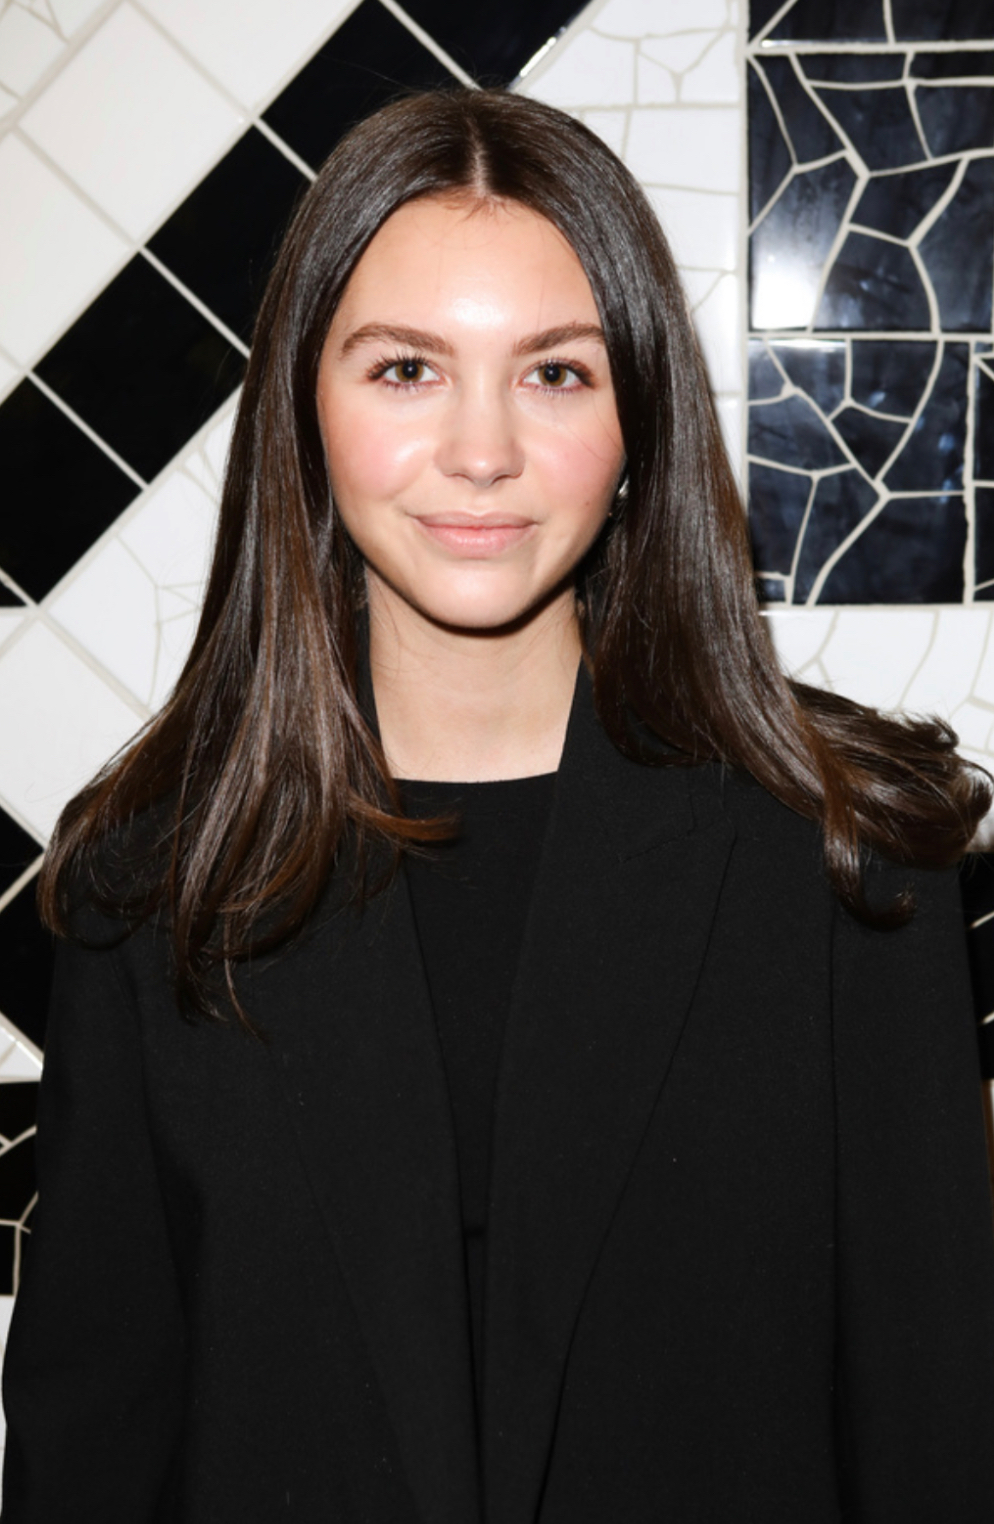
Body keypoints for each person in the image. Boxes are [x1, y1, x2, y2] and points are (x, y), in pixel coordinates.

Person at [2, 87, 993, 1524]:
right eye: (407, 368)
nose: (482, 451)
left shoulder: (853, 861)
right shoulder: (154, 878)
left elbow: (938, 1437)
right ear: (304, 410)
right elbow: (91, 1449)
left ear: (639, 418)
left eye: (555, 373)